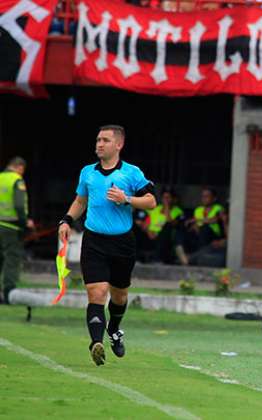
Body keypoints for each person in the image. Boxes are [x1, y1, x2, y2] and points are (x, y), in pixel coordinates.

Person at [58, 125, 156, 366]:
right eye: (98, 140)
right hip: (94, 241)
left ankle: (114, 329)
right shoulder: (87, 172)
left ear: (118, 145)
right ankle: (96, 343)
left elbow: (151, 202)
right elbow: (80, 200)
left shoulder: (131, 173)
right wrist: (67, 220)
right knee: (97, 292)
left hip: (123, 243)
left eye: (105, 140)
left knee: (119, 295)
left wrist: (127, 200)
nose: (99, 144)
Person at [0, 157, 33, 304]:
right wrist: (25, 223)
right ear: (19, 167)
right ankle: (8, 294)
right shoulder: (16, 180)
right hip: (11, 227)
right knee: (11, 260)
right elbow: (19, 205)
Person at [141, 189, 184, 264]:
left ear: (173, 199)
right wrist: (149, 231)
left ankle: (157, 259)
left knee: (167, 226)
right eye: (164, 198)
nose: (166, 200)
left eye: (168, 198)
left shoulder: (178, 211)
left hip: (165, 237)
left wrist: (167, 207)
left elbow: (170, 222)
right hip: (151, 236)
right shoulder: (155, 209)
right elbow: (145, 225)